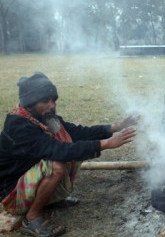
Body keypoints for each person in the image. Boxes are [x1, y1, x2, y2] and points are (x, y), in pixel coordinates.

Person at [0, 72, 138, 236]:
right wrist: (106, 144)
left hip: (27, 179)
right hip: (11, 191)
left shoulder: (42, 117)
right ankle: (32, 216)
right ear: (29, 105)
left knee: (69, 150)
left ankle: (49, 200)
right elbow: (59, 150)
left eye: (53, 100)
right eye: (45, 101)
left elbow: (76, 132)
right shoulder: (19, 127)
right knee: (56, 164)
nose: (52, 105)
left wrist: (114, 127)